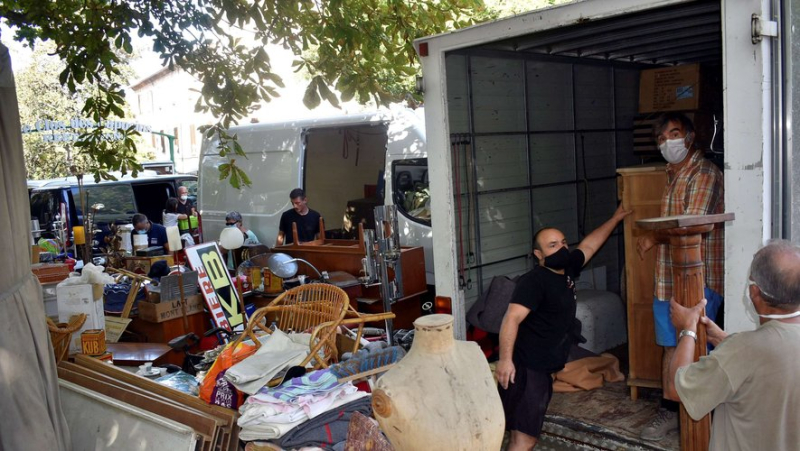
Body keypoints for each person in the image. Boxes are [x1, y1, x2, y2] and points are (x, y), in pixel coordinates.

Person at [496, 204, 632, 450]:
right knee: (524, 438)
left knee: (526, 436)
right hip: (526, 370)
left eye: (563, 242)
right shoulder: (535, 281)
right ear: (538, 254)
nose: (561, 247)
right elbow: (511, 318)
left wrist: (616, 218)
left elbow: (590, 245)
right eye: (552, 245)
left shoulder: (566, 270)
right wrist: (505, 361)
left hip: (542, 370)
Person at [636, 112, 724, 441]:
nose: (666, 143)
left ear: (688, 136)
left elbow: (691, 224)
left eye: (673, 134)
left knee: (699, 346)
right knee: (670, 347)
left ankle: (703, 418)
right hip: (667, 278)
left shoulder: (703, 173)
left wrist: (653, 236)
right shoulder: (673, 173)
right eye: (660, 139)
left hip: (697, 279)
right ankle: (670, 411)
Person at [666, 240, 800, 451]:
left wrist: (687, 329)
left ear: (754, 292)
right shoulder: (745, 349)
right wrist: (724, 340)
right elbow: (767, 361)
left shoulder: (744, 350)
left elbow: (676, 388)